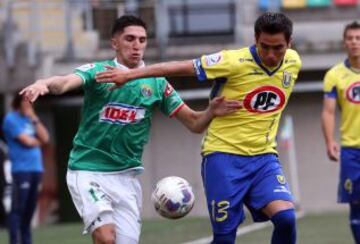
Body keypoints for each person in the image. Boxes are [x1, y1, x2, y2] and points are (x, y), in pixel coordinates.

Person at [19, 15, 241, 244]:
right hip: (88, 171)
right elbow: (65, 82)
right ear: (115, 42)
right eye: (130, 39)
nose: (137, 45)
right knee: (106, 238)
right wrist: (43, 83)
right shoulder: (99, 72)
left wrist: (210, 111)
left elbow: (194, 123)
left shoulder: (157, 84)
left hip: (127, 177)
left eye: (142, 40)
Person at [95, 12, 302, 244]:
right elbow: (178, 67)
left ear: (289, 43)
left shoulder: (293, 62)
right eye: (265, 47)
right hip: (223, 158)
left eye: (278, 48)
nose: (271, 55)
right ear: (255, 39)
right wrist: (130, 75)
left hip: (264, 158)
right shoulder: (232, 61)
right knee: (224, 239)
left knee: (286, 218)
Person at [321, 21, 360, 244]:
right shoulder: (334, 75)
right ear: (344, 42)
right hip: (351, 150)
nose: (354, 42)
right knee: (356, 206)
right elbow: (328, 112)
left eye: (358, 38)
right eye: (350, 38)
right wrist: (329, 141)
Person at [2, 92, 49, 244]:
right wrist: (39, 141)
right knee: (18, 209)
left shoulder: (31, 120)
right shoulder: (11, 119)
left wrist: (34, 119)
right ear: (18, 102)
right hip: (21, 170)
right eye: (26, 101)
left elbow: (46, 138)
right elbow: (27, 141)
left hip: (36, 169)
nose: (29, 105)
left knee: (29, 210)